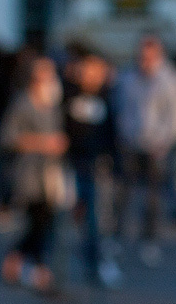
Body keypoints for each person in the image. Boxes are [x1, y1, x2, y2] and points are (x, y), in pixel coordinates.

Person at [0, 57, 69, 293]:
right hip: (29, 171)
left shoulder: (52, 102)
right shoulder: (23, 102)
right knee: (38, 219)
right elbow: (8, 137)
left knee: (44, 220)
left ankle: (20, 261)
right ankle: (35, 267)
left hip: (50, 171)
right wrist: (43, 143)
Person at [113, 35, 176, 268]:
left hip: (157, 147)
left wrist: (164, 141)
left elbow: (172, 116)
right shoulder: (128, 77)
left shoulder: (168, 80)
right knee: (124, 193)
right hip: (130, 143)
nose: (144, 60)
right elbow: (120, 107)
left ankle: (149, 239)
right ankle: (116, 236)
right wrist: (124, 133)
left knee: (153, 197)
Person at [63, 52, 119, 285]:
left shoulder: (108, 97)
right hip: (72, 164)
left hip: (98, 166)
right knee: (72, 215)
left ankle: (96, 260)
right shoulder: (69, 95)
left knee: (97, 216)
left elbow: (112, 133)